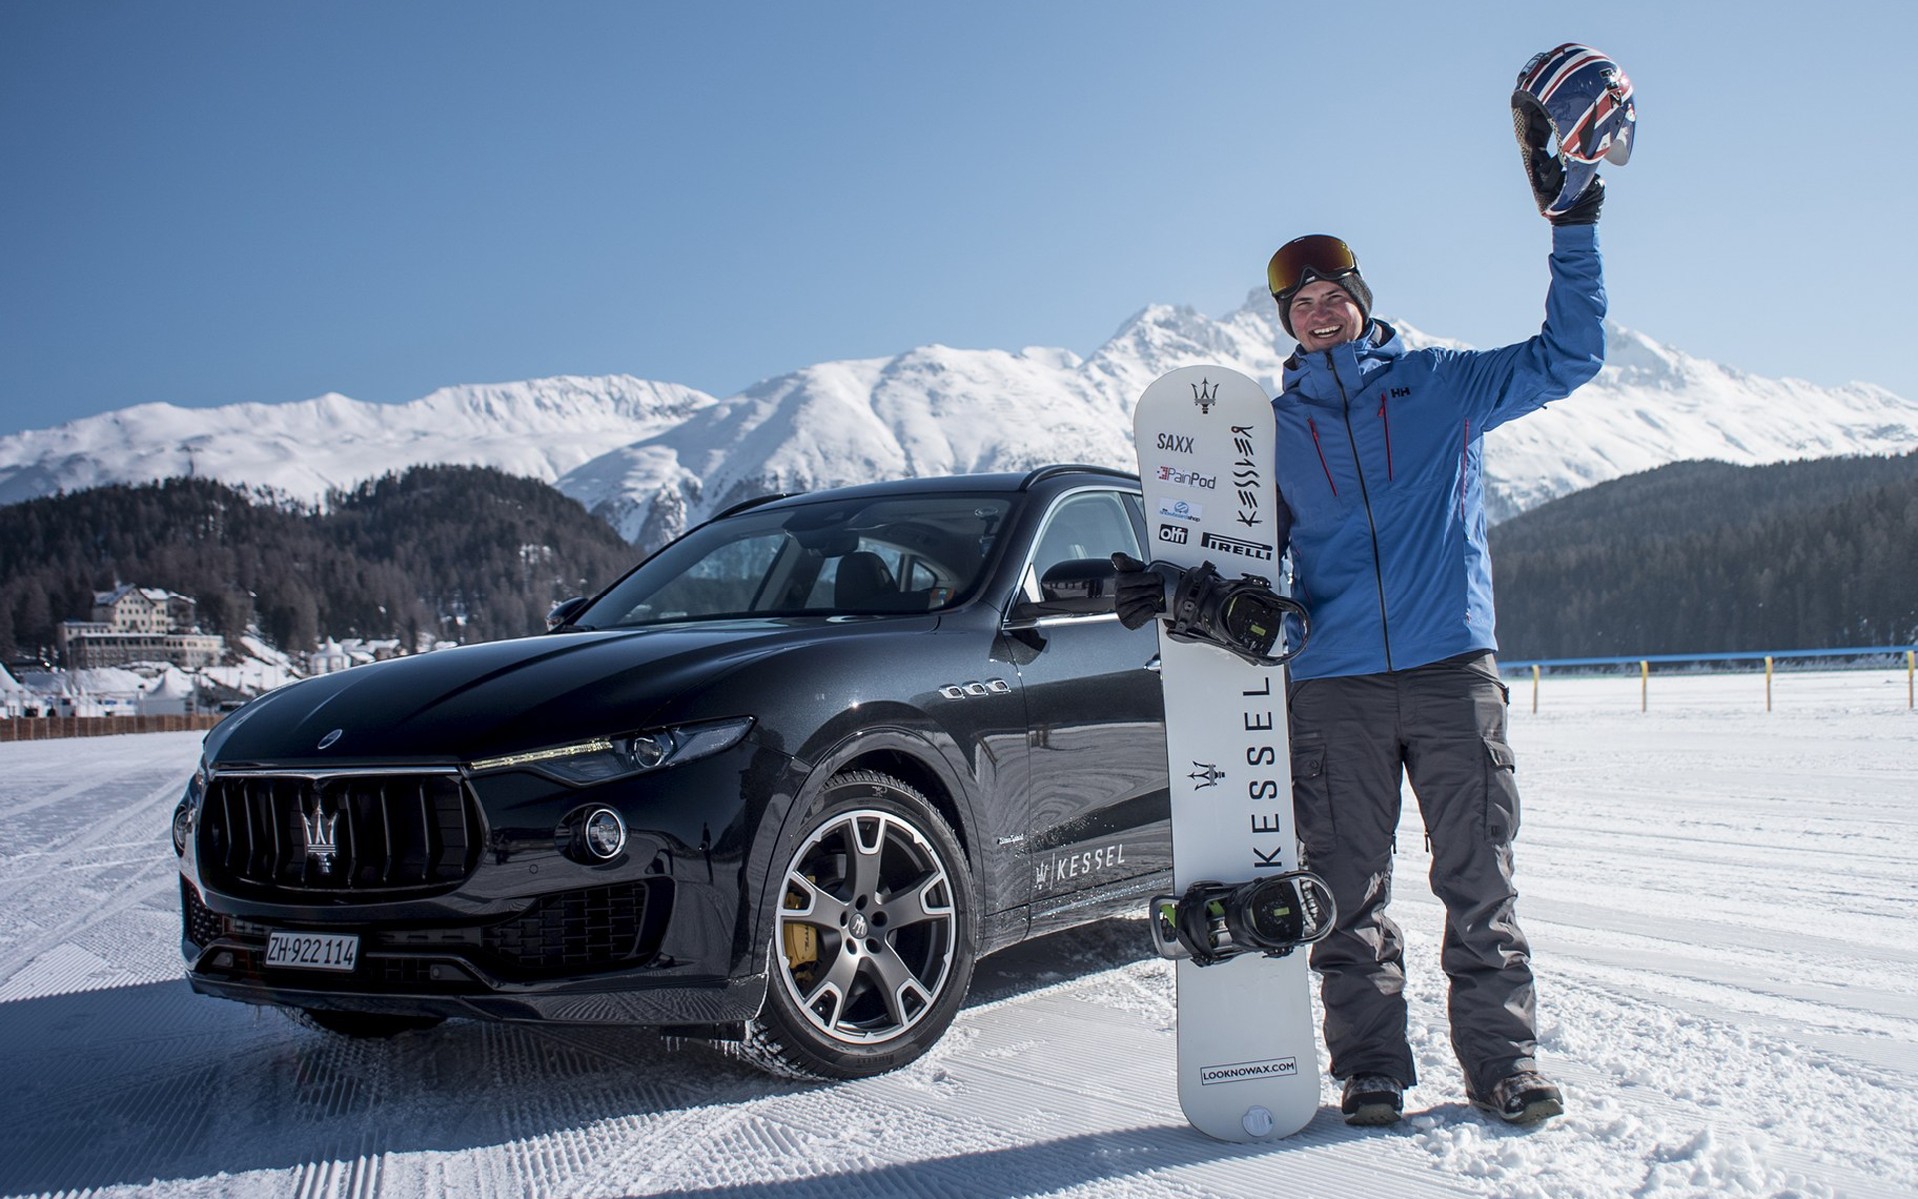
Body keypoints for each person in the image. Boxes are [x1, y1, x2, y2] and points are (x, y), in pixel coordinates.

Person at [1117, 47, 1629, 1127]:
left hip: (1451, 672)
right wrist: (1182, 590)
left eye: (1327, 293)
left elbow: (1569, 355)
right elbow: (1236, 550)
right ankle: (1372, 1070)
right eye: (1294, 302)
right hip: (1338, 685)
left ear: (1358, 298)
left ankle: (1502, 1064)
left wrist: (1572, 227)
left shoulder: (1442, 385)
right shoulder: (1266, 430)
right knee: (1346, 895)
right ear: (1283, 322)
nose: (1314, 311)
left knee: (1477, 884)